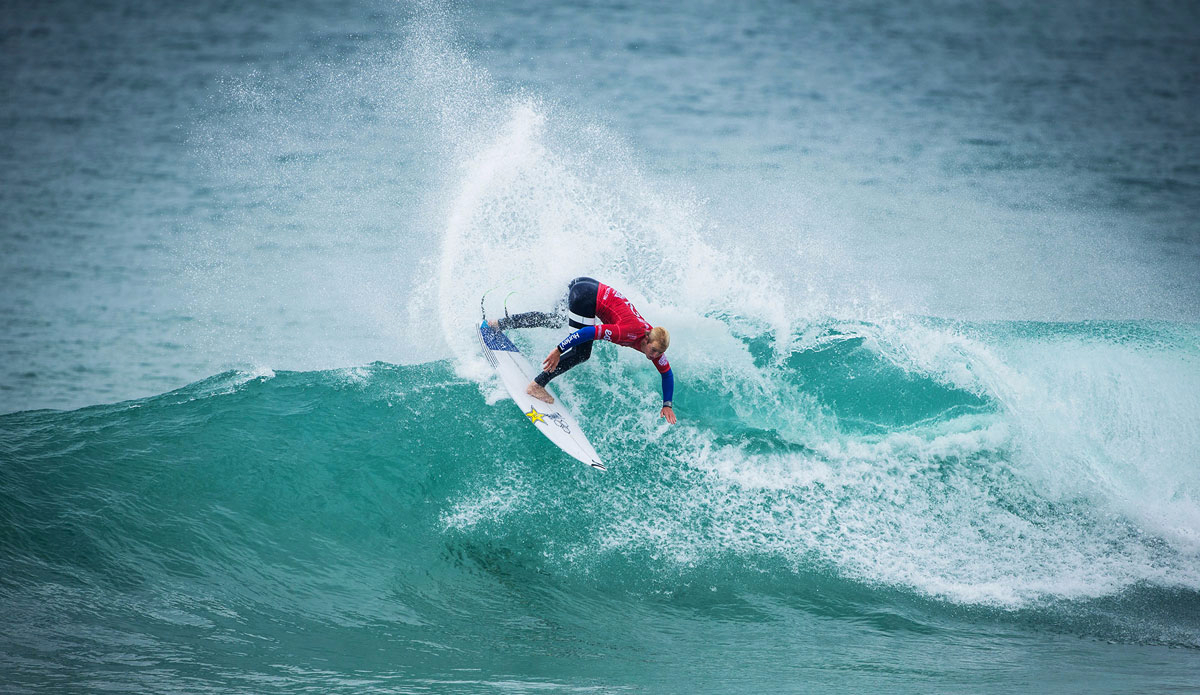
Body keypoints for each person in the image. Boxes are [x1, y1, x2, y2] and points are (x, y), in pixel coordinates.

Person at [489, 277, 677, 424]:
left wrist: (667, 404)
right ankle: (537, 385)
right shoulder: (627, 332)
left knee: (554, 320)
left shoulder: (655, 342)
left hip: (584, 284)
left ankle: (499, 324)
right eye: (652, 351)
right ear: (646, 339)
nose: (654, 356)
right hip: (586, 296)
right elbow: (588, 332)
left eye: (658, 353)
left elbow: (667, 374)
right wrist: (559, 349)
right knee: (581, 353)